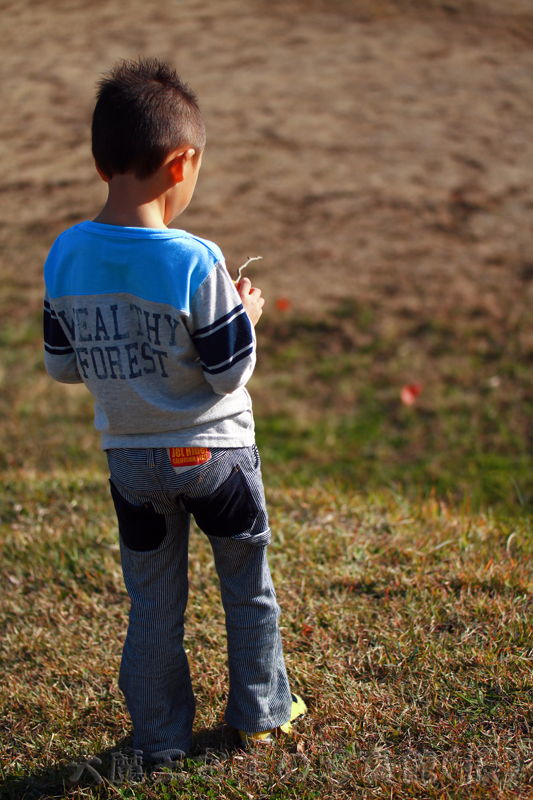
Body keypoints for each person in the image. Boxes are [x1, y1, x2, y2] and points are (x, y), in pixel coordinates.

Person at [42, 57, 306, 762]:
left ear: (100, 162)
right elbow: (228, 372)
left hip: (132, 464)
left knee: (153, 606)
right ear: (182, 163)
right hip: (214, 457)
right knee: (247, 589)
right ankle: (260, 715)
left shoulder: (64, 255)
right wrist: (243, 315)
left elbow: (61, 365)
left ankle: (160, 739)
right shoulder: (194, 259)